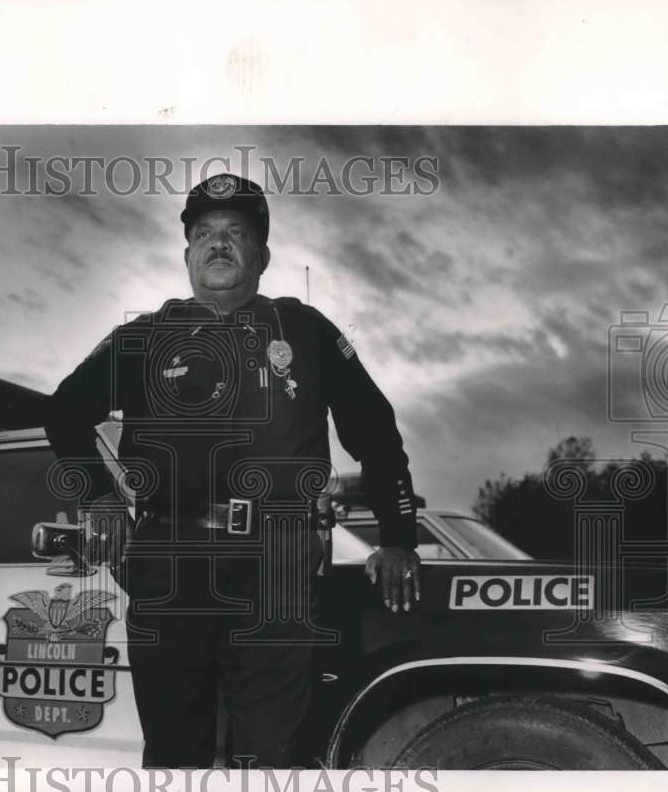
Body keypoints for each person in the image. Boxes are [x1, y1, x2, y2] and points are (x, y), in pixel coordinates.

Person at [45, 173, 421, 768]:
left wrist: (398, 539)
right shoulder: (145, 337)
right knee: (173, 749)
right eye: (205, 233)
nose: (219, 243)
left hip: (278, 559)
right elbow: (64, 413)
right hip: (170, 557)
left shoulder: (305, 331)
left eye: (236, 232)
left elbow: (374, 432)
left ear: (262, 256)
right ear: (188, 253)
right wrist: (100, 499)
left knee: (274, 751)